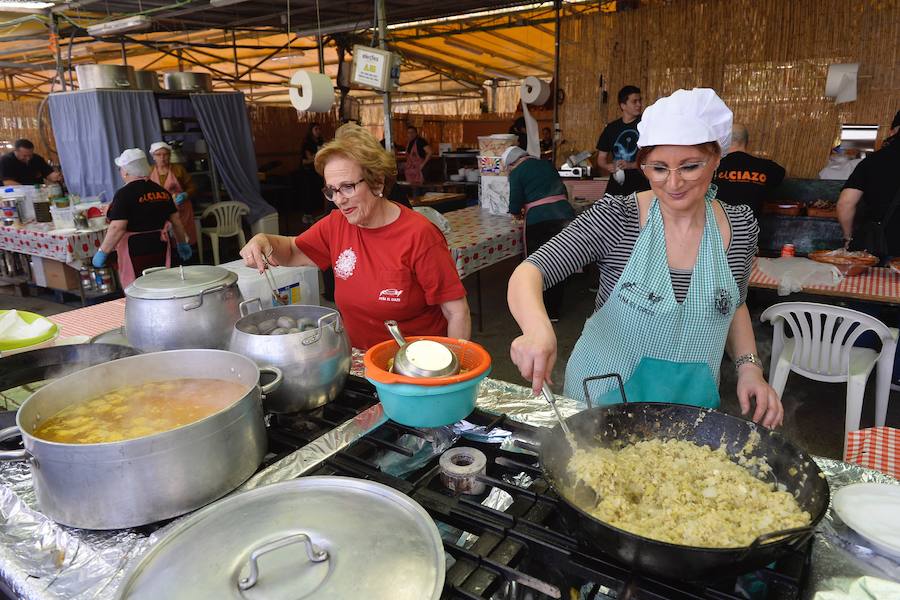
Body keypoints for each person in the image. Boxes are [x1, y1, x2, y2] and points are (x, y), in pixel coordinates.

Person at [508, 88, 782, 428]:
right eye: (659, 168)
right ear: (643, 165)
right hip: (602, 399)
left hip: (690, 409)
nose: (674, 183)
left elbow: (734, 303)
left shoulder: (739, 227)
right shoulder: (618, 218)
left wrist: (749, 367)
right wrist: (537, 330)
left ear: (716, 160)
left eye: (690, 166)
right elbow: (530, 270)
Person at [240, 123, 470, 350]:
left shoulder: (419, 235)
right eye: (332, 190)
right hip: (360, 364)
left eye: (347, 187)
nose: (339, 199)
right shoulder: (335, 224)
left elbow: (456, 311)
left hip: (416, 368)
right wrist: (263, 240)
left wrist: (450, 376)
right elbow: (292, 251)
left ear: (377, 182)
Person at [93, 149, 191, 288]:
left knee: (138, 287)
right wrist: (182, 243)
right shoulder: (162, 192)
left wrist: (103, 252)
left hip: (134, 249)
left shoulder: (124, 194)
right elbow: (176, 221)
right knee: (162, 283)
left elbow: (117, 228)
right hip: (160, 245)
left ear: (126, 171)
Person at [502, 146, 575, 322]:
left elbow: (514, 205)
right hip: (565, 215)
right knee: (559, 263)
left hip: (541, 221)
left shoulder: (517, 172)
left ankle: (540, 310)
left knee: (539, 265)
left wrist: (516, 213)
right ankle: (554, 311)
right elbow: (562, 190)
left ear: (512, 164)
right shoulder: (546, 164)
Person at [836, 110, 900, 259]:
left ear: (892, 132)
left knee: (872, 283)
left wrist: (848, 238)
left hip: (879, 248)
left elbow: (845, 203)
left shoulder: (872, 161)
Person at [713, 124, 786, 220]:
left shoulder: (713, 166)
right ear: (747, 141)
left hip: (718, 227)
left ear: (724, 141)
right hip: (752, 230)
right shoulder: (768, 167)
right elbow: (780, 177)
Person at [595, 85, 650, 197]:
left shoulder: (646, 125)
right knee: (610, 212)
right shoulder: (611, 128)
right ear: (623, 105)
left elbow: (653, 156)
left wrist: (631, 165)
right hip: (617, 182)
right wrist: (608, 166)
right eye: (634, 101)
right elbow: (601, 158)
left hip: (641, 183)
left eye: (640, 101)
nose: (639, 105)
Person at [148, 142, 198, 247]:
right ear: (153, 156)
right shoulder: (149, 171)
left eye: (165, 154)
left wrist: (185, 195)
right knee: (165, 240)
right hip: (159, 210)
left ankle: (189, 257)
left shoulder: (178, 169)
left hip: (181, 209)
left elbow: (192, 187)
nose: (162, 157)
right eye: (158, 155)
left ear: (170, 155)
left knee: (184, 237)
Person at [300, 124, 326, 222]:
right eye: (316, 129)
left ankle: (318, 214)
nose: (318, 131)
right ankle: (307, 215)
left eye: (319, 129)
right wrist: (319, 154)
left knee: (318, 192)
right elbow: (307, 159)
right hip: (308, 171)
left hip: (317, 171)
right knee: (308, 193)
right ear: (311, 131)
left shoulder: (321, 141)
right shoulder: (307, 143)